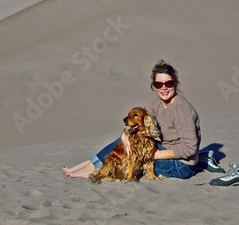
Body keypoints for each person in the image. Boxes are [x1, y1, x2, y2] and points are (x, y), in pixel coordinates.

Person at [63, 59, 201, 180]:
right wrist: (124, 136)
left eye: (168, 83)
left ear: (175, 84)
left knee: (132, 145)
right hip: (169, 156)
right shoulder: (158, 104)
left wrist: (157, 154)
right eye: (159, 84)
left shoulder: (182, 109)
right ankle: (89, 163)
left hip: (180, 166)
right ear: (154, 87)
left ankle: (93, 167)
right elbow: (137, 119)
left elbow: (190, 148)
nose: (163, 88)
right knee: (130, 137)